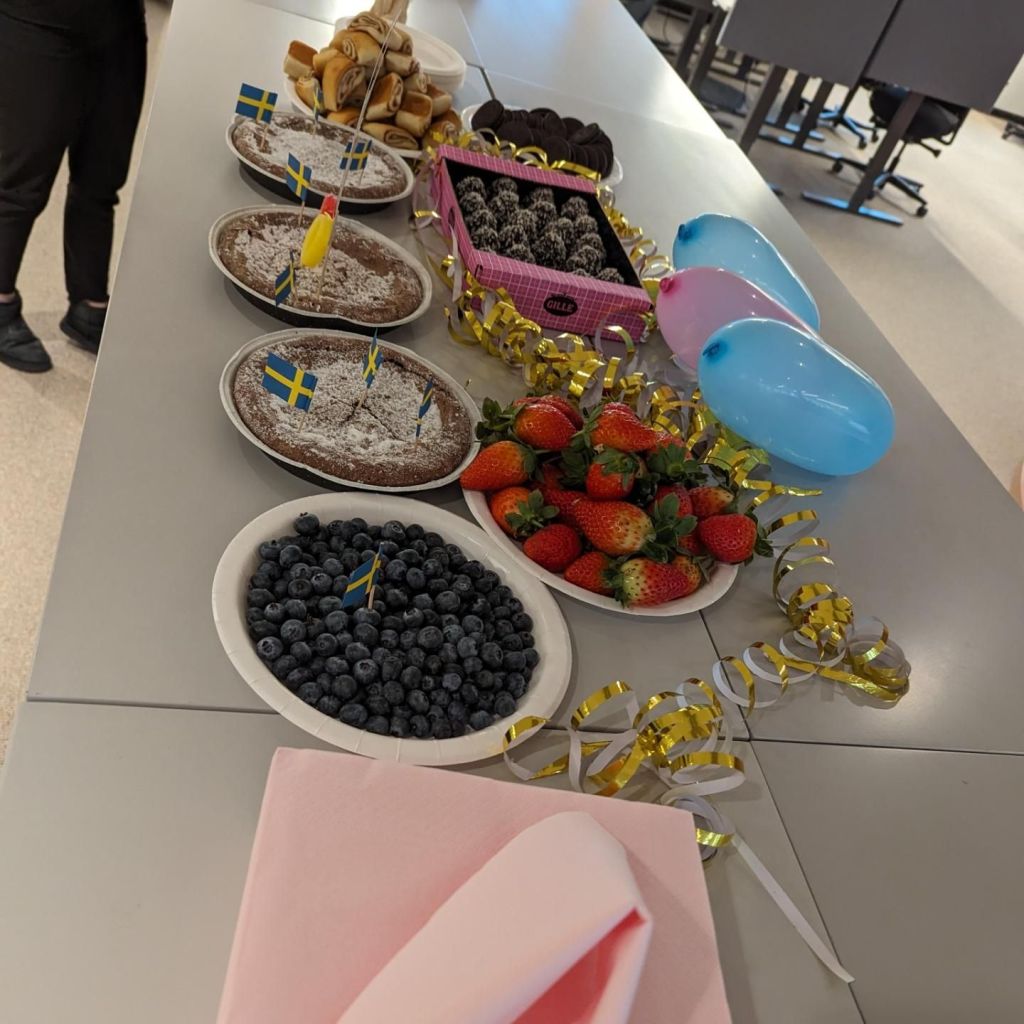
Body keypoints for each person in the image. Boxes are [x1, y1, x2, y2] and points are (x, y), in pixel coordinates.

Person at [0, 0, 147, 373]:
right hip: (39, 19)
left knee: (102, 176)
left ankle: (89, 304)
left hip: (121, 23)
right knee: (21, 180)